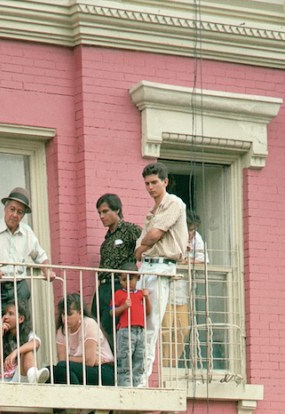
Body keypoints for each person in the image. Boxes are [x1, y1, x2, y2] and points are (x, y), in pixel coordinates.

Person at [0, 187, 49, 348]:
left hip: (18, 287)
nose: (15, 215)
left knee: (21, 329)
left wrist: (47, 271)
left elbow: (41, 256)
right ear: (5, 208)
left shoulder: (27, 232)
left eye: (20, 212)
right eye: (12, 209)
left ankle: (21, 369)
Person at [135, 162, 188, 385]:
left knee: (151, 325)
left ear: (165, 182)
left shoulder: (174, 203)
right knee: (137, 322)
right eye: (147, 183)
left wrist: (140, 249)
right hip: (147, 268)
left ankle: (142, 378)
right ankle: (135, 374)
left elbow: (154, 235)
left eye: (154, 182)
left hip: (161, 267)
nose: (150, 187)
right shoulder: (153, 210)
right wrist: (142, 251)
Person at [162, 207, 208, 370]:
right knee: (166, 330)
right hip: (167, 293)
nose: (191, 234)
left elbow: (203, 261)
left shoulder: (197, 239)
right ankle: (163, 367)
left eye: (194, 230)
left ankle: (171, 365)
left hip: (184, 294)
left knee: (183, 330)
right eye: (189, 230)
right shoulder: (170, 236)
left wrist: (187, 262)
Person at [93, 193, 139, 351]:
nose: (101, 216)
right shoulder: (107, 239)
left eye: (105, 211)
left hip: (118, 286)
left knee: (112, 329)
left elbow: (148, 241)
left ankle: (115, 370)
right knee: (97, 326)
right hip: (103, 288)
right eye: (99, 213)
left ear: (117, 210)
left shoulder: (129, 229)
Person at [52, 293, 115, 387]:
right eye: (63, 314)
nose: (65, 318)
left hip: (102, 369)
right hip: (78, 369)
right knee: (53, 370)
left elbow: (89, 361)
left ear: (80, 312)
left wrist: (68, 359)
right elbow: (63, 360)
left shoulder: (89, 324)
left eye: (69, 314)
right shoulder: (62, 331)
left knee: (63, 368)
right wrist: (79, 360)